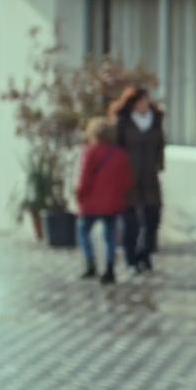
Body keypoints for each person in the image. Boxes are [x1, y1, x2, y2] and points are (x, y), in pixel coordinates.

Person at [110, 86, 166, 273]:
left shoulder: (155, 120)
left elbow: (160, 145)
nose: (145, 104)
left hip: (150, 176)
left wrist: (159, 164)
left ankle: (145, 253)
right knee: (131, 220)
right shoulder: (124, 122)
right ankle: (131, 257)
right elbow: (117, 148)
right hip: (129, 177)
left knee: (153, 216)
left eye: (146, 100)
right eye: (141, 101)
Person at [75, 117, 134, 285]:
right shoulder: (121, 155)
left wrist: (80, 195)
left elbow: (85, 179)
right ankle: (109, 268)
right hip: (113, 203)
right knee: (110, 236)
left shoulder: (91, 152)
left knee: (82, 231)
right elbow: (128, 181)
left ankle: (90, 262)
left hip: (91, 203)